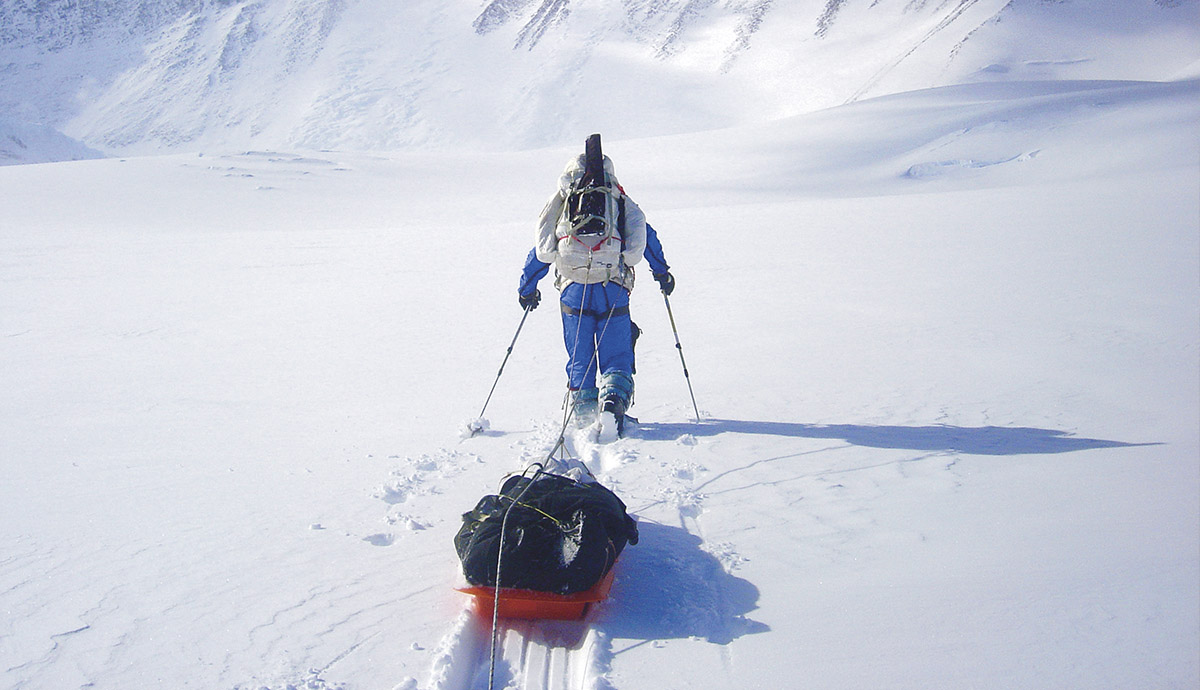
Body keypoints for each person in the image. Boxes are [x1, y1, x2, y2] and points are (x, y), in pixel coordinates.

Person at [518, 147, 674, 433]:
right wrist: (662, 273)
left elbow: (542, 249)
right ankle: (613, 403)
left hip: (573, 290)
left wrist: (527, 289)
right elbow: (646, 237)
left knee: (580, 355)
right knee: (616, 354)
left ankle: (583, 416)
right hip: (611, 285)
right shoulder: (616, 201)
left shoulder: (566, 204)